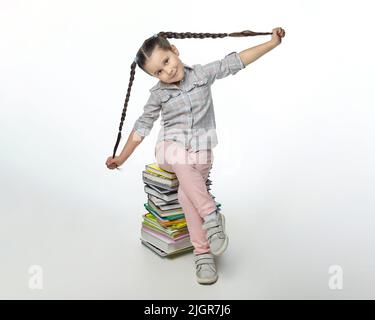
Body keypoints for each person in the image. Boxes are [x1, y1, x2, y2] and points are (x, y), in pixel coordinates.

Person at [106, 28, 286, 285]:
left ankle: (202, 255)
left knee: (185, 194)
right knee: (179, 157)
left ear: (175, 51)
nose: (166, 71)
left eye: (166, 61)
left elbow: (237, 61)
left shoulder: (202, 74)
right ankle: (211, 219)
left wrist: (272, 43)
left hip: (201, 148)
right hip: (169, 148)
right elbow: (141, 128)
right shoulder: (158, 95)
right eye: (158, 71)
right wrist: (121, 159)